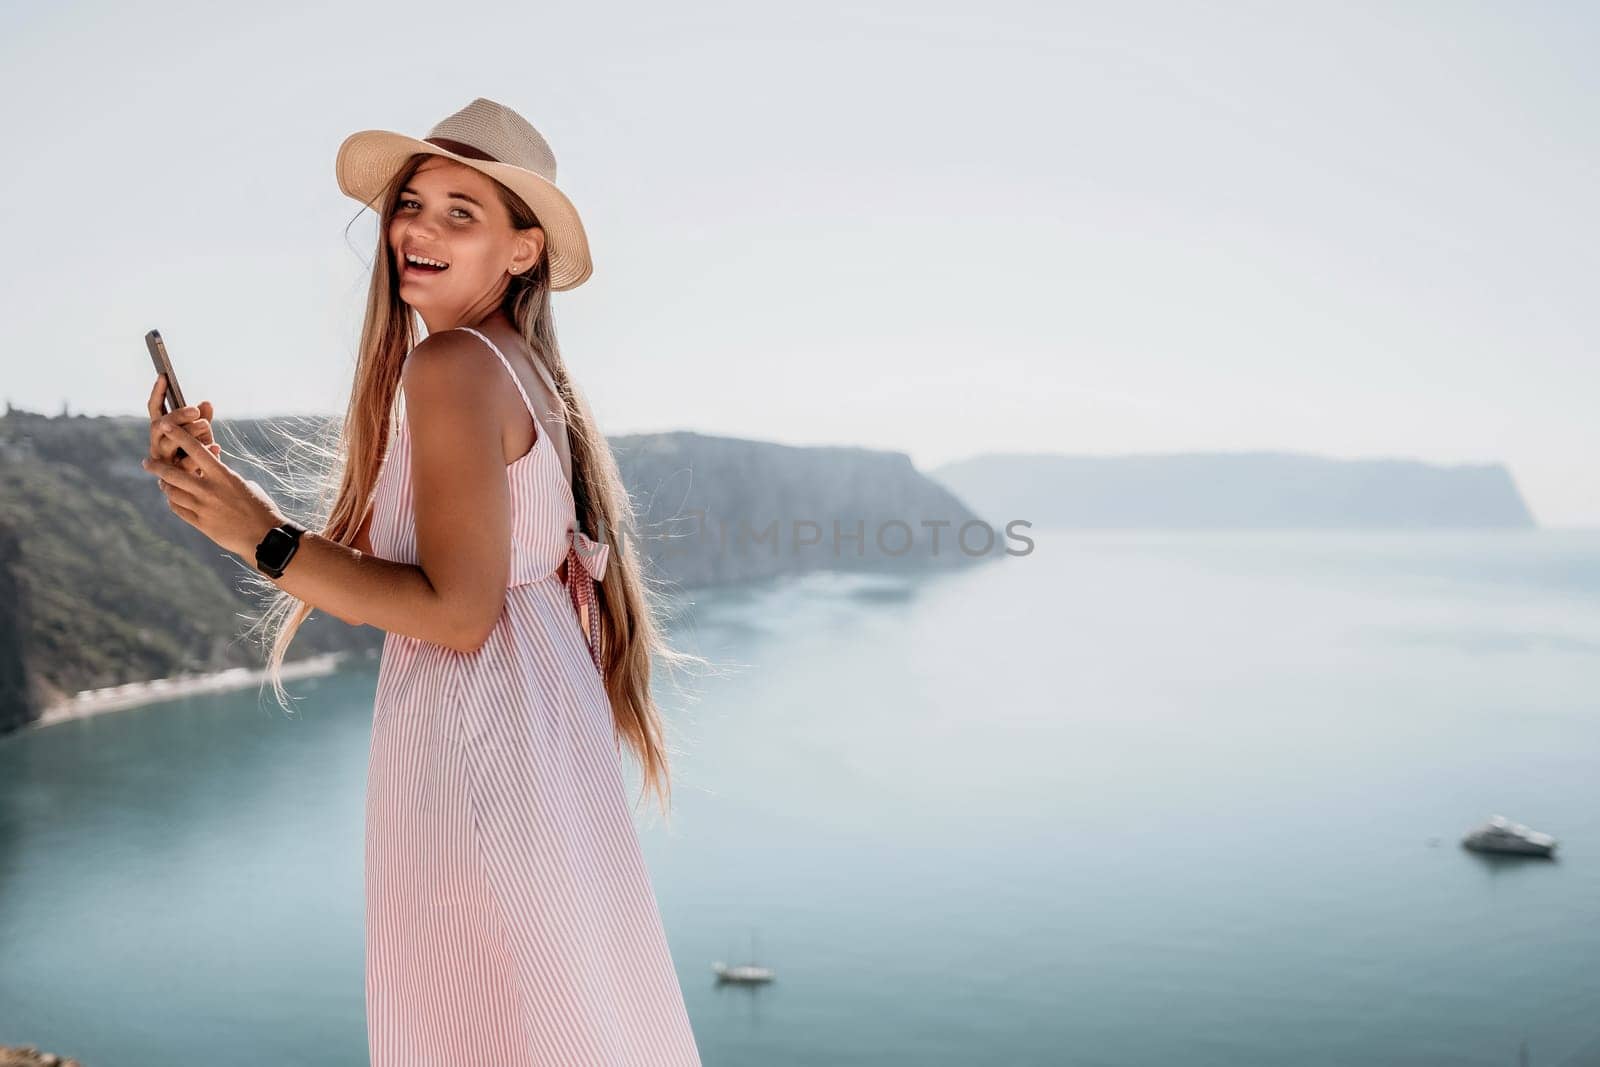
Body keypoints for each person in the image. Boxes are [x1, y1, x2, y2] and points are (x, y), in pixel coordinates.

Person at [140, 97, 704, 1065]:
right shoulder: (516, 368)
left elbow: (451, 612)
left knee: (473, 1025)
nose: (418, 229)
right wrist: (235, 496)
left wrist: (262, 537)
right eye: (412, 203)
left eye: (460, 212)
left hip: (473, 755)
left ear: (522, 252)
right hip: (532, 755)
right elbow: (413, 567)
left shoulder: (450, 365)